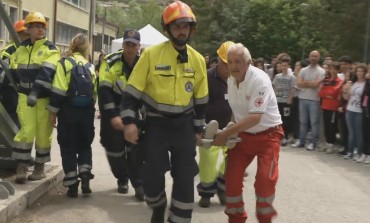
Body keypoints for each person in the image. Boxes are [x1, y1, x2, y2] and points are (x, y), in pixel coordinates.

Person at [120, 1, 208, 222]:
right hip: (156, 125)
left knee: (186, 176)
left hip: (184, 126)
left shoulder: (197, 60)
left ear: (191, 29)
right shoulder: (150, 56)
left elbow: (201, 100)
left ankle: (179, 219)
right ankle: (158, 206)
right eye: (177, 26)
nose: (181, 31)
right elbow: (131, 94)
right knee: (151, 175)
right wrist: (130, 122)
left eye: (185, 26)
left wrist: (198, 129)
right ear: (167, 29)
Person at [213, 43, 283, 223]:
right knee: (232, 177)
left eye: (238, 61)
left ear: (248, 62)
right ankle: (236, 219)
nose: (233, 66)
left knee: (264, 182)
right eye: (230, 62)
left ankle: (264, 219)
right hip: (244, 136)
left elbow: (255, 118)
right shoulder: (231, 79)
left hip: (268, 135)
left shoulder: (260, 80)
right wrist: (231, 126)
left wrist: (226, 133)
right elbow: (237, 110)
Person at [10, 12, 60, 184]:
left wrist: (35, 92)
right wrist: (21, 87)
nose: (40, 29)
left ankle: (39, 167)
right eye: (36, 26)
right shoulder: (21, 49)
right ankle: (22, 165)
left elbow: (47, 73)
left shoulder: (51, 49)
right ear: (28, 29)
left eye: (42, 26)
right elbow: (14, 69)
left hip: (43, 98)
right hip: (24, 96)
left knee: (43, 134)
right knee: (26, 130)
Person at [48, 33, 96, 197]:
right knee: (84, 144)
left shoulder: (64, 64)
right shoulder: (90, 66)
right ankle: (85, 176)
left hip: (68, 111)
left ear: (72, 45)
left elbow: (58, 90)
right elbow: (94, 93)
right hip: (86, 112)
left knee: (67, 147)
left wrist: (53, 112)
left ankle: (72, 185)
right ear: (86, 47)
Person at [98, 29, 144, 201]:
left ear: (139, 46)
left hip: (134, 111)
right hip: (114, 109)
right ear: (123, 44)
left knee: (136, 151)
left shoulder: (143, 63)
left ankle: (138, 184)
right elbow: (104, 91)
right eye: (127, 44)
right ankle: (122, 178)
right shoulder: (110, 62)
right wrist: (113, 115)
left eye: (133, 44)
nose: (130, 47)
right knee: (114, 151)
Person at [197, 41, 234, 208]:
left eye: (233, 63)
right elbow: (198, 102)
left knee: (233, 159)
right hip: (209, 128)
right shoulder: (206, 77)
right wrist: (201, 125)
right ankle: (206, 193)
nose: (229, 67)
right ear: (219, 60)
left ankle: (222, 186)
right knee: (207, 162)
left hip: (231, 127)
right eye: (226, 63)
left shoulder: (238, 79)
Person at [291, 50, 325, 151]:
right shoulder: (303, 70)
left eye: (315, 56)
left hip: (314, 99)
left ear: (318, 58)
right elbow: (298, 83)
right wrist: (311, 83)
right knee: (303, 121)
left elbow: (317, 85)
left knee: (314, 122)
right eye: (312, 56)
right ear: (309, 57)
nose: (313, 58)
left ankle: (313, 143)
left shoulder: (321, 71)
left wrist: (305, 83)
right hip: (302, 98)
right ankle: (301, 141)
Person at [0, 20, 30, 127]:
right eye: (24, 34)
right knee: (13, 126)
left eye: (28, 34)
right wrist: (19, 75)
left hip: (26, 94)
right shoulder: (8, 51)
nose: (27, 37)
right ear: (16, 34)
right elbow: (2, 75)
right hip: (11, 93)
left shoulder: (31, 51)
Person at [342, 63, 367, 161]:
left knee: (359, 133)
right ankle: (349, 152)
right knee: (351, 132)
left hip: (359, 111)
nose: (359, 73)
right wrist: (345, 91)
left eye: (361, 71)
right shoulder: (353, 83)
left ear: (365, 72)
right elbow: (346, 97)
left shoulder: (366, 84)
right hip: (350, 109)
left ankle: (359, 152)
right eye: (358, 71)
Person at [318, 62, 343, 153]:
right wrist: (327, 94)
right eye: (330, 68)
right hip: (325, 106)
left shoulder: (339, 81)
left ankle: (331, 144)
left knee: (332, 126)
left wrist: (327, 93)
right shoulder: (326, 80)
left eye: (333, 69)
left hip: (333, 107)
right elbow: (320, 93)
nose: (331, 70)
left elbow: (334, 92)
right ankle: (327, 143)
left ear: (337, 70)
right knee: (326, 125)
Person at [272, 58, 295, 145]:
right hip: (278, 101)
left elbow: (293, 89)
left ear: (288, 66)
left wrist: (290, 98)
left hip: (286, 102)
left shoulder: (291, 77)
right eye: (282, 66)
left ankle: (286, 136)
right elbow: (274, 87)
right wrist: (273, 98)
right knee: (279, 119)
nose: (284, 67)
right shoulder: (277, 76)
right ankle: (279, 136)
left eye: (286, 66)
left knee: (286, 119)